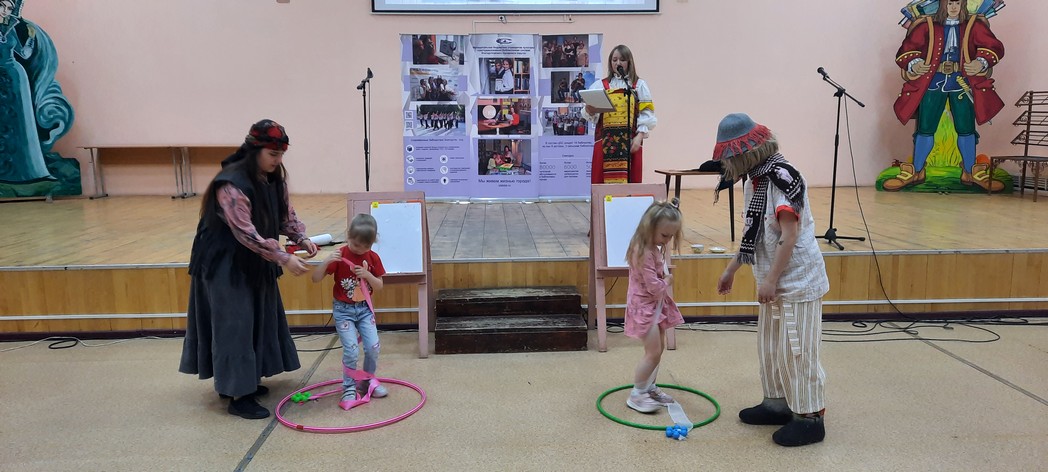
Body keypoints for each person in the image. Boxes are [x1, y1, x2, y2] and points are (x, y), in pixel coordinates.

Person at [179, 119, 318, 420]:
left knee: (257, 318)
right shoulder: (231, 184)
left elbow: (284, 214)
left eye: (281, 155)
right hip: (225, 265)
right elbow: (244, 232)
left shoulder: (273, 178)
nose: (278, 160)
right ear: (255, 150)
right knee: (236, 325)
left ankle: (244, 381)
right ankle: (238, 395)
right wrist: (283, 258)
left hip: (255, 260)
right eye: (273, 154)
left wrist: (301, 237)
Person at [712, 113, 829, 447]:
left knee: (797, 349)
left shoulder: (782, 178)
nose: (726, 168)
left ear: (743, 155)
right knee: (772, 346)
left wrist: (771, 280)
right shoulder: (755, 179)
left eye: (728, 160)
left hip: (796, 281)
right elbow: (754, 232)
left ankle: (809, 418)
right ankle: (777, 403)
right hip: (772, 280)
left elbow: (789, 236)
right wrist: (732, 268)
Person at [887, 0, 1005, 192]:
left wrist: (981, 62)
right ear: (942, 5)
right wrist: (915, 63)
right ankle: (917, 170)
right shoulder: (927, 25)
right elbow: (907, 50)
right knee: (925, 129)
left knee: (966, 129)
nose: (953, 7)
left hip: (962, 84)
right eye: (950, 3)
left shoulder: (973, 25)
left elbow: (994, 47)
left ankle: (969, 171)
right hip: (932, 83)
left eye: (957, 3)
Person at [311, 213, 387, 410]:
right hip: (343, 310)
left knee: (373, 348)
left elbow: (379, 286)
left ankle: (367, 381)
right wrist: (326, 260)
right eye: (355, 245)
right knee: (351, 350)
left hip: (364, 310)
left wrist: (367, 275)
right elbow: (315, 278)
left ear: (372, 243)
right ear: (348, 236)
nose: (359, 250)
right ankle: (349, 387)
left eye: (364, 247)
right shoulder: (340, 255)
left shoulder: (373, 257)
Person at [623, 199, 684, 413]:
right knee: (652, 352)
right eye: (665, 235)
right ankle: (637, 394)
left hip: (654, 306)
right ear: (650, 228)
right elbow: (654, 288)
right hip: (644, 308)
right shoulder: (642, 251)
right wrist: (667, 281)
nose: (667, 241)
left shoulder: (653, 247)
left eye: (671, 236)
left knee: (659, 349)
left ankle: (649, 387)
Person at [581, 44, 655, 184]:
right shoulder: (600, 85)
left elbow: (647, 114)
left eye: (622, 60)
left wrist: (639, 137)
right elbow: (589, 114)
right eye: (614, 60)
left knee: (630, 184)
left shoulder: (638, 85)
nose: (618, 63)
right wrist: (589, 110)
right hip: (605, 142)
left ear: (629, 62)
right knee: (601, 184)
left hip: (630, 142)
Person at [0, 0, 55, 184]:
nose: (5, 11)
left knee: (21, 123)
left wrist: (30, 37)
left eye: (9, 7)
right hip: (1, 79)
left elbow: (24, 54)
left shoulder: (10, 29)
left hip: (17, 78)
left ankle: (30, 169)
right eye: (2, 5)